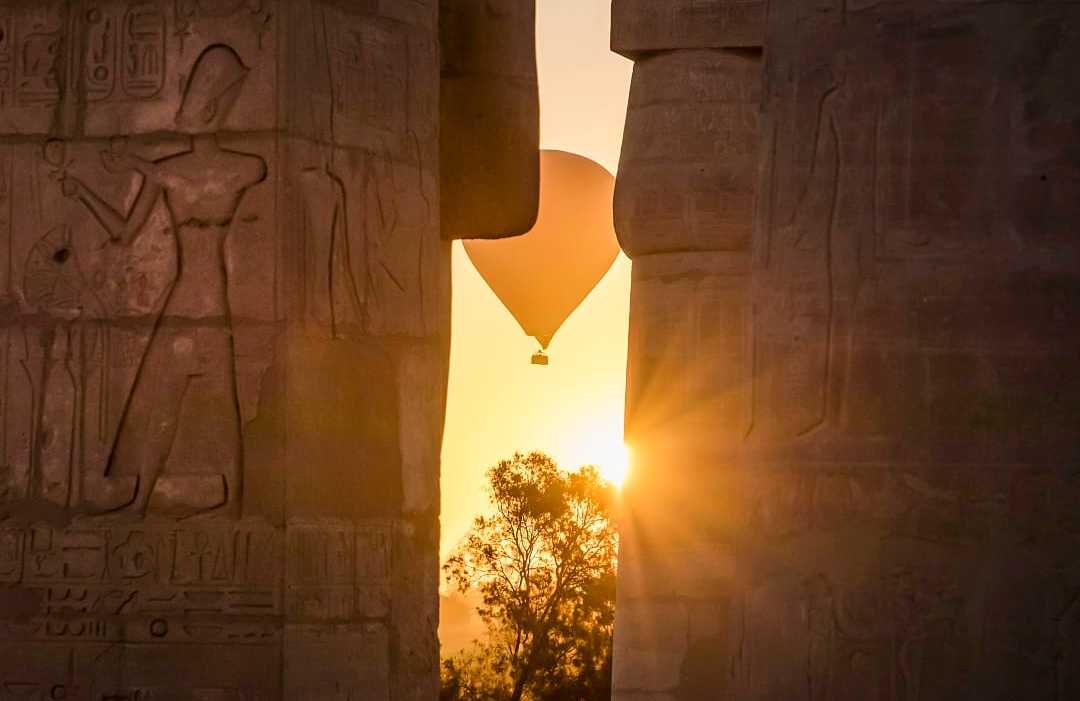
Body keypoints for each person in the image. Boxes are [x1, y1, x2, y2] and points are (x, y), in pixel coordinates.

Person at [61, 45, 266, 518]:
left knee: (221, 404)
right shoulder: (171, 171)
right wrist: (86, 192)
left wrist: (141, 165)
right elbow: (125, 232)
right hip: (184, 300)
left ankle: (234, 505)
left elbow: (207, 181)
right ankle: (142, 501)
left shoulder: (232, 167)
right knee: (162, 402)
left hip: (210, 300)